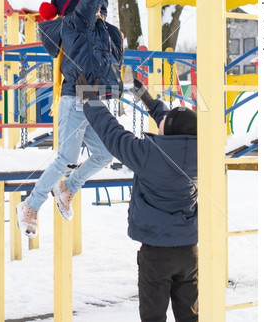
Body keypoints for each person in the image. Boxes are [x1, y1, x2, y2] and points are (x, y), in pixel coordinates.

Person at [16, 0, 123, 238]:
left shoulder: (103, 30)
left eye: (103, 7)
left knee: (104, 154)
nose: (100, 10)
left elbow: (110, 62)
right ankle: (30, 205)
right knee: (66, 157)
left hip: (93, 98)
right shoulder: (76, 25)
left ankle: (66, 188)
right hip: (74, 97)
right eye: (96, 6)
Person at [76, 75, 198, 322]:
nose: (160, 122)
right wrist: (146, 98)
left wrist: (90, 101)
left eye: (164, 123)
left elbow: (113, 133)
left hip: (157, 252)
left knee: (153, 316)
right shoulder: (200, 153)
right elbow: (169, 121)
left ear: (169, 131)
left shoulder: (148, 155)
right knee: (190, 316)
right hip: (189, 251)